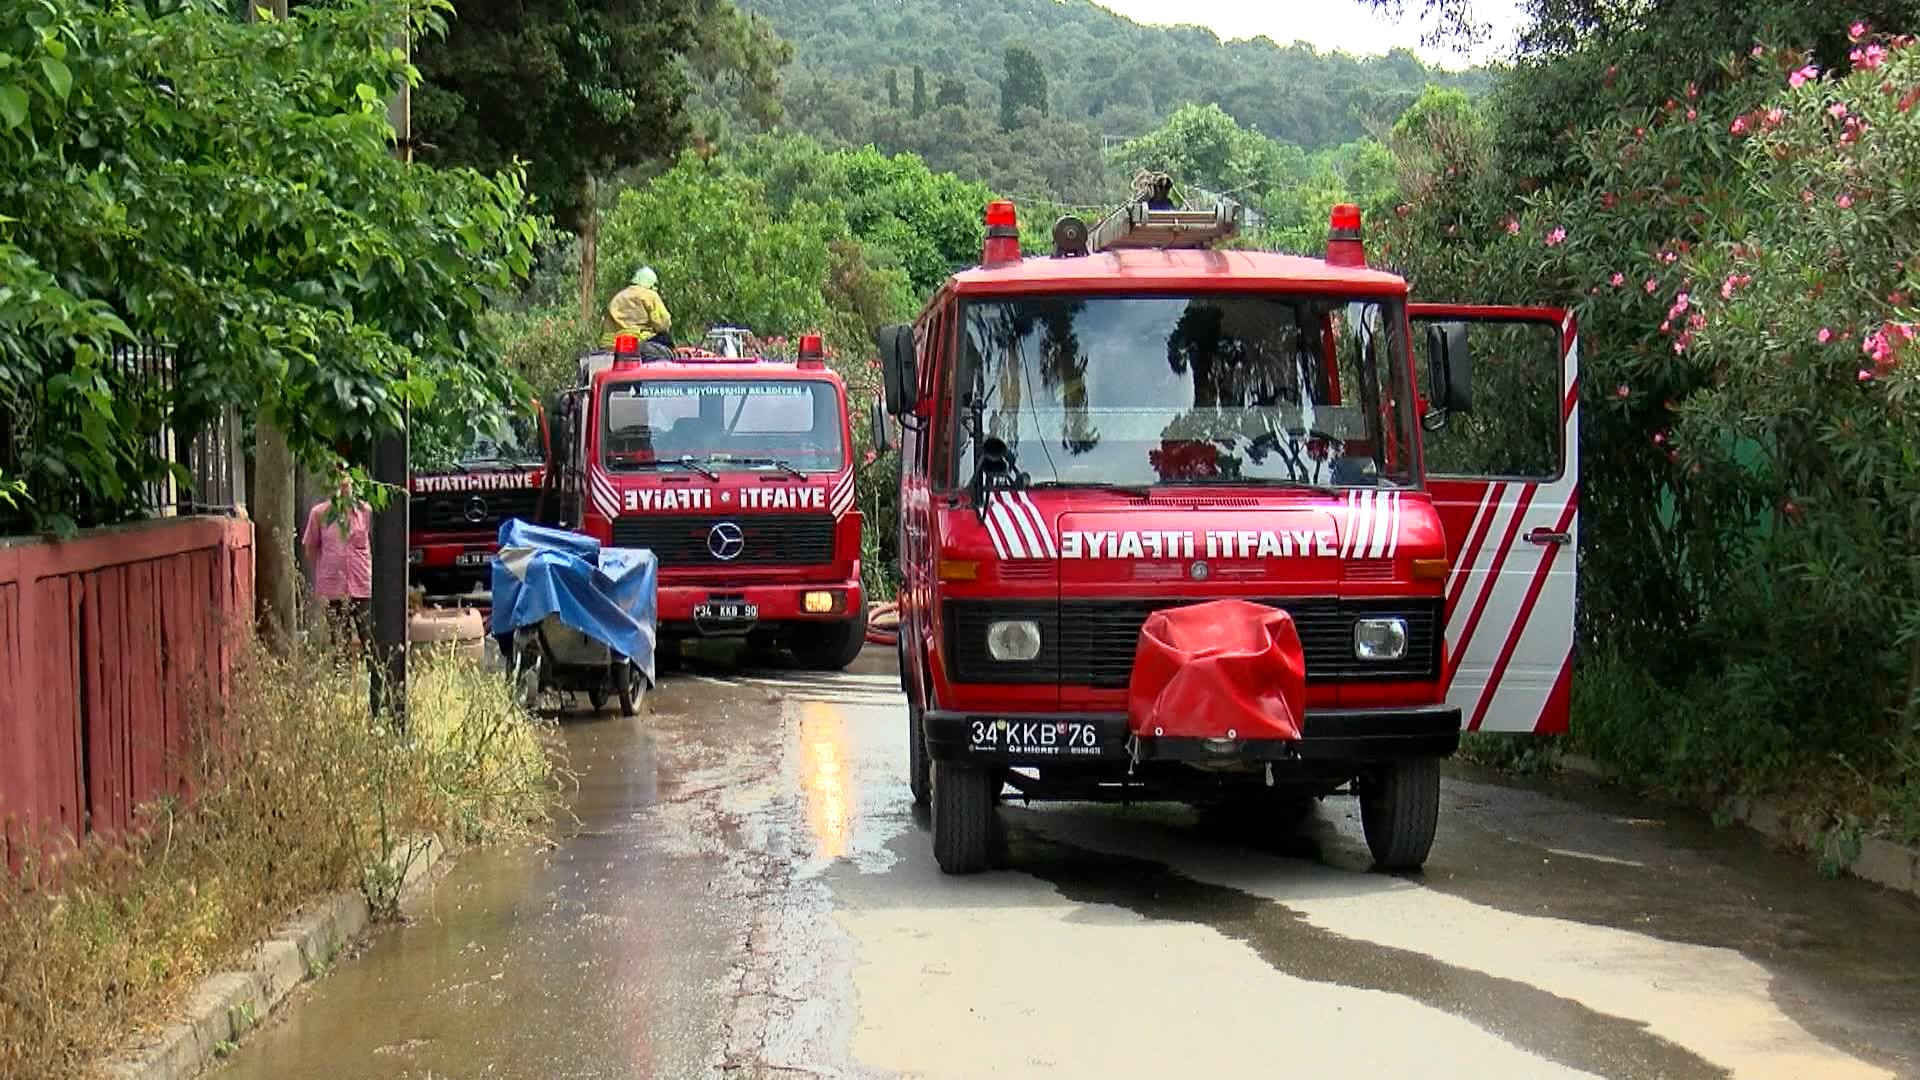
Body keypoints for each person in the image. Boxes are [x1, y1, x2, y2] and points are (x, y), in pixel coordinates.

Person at [302, 466, 373, 652]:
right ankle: (343, 671)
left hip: (361, 586)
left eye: (347, 482)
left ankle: (372, 670)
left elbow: (374, 543)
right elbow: (310, 549)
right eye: (339, 482)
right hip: (333, 588)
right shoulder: (319, 513)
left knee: (370, 640)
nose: (343, 487)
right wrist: (328, 569)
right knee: (340, 643)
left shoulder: (365, 511)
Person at [604, 265, 673, 349]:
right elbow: (663, 325)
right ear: (652, 284)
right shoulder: (650, 295)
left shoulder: (617, 297)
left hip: (610, 345)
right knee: (665, 338)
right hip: (636, 344)